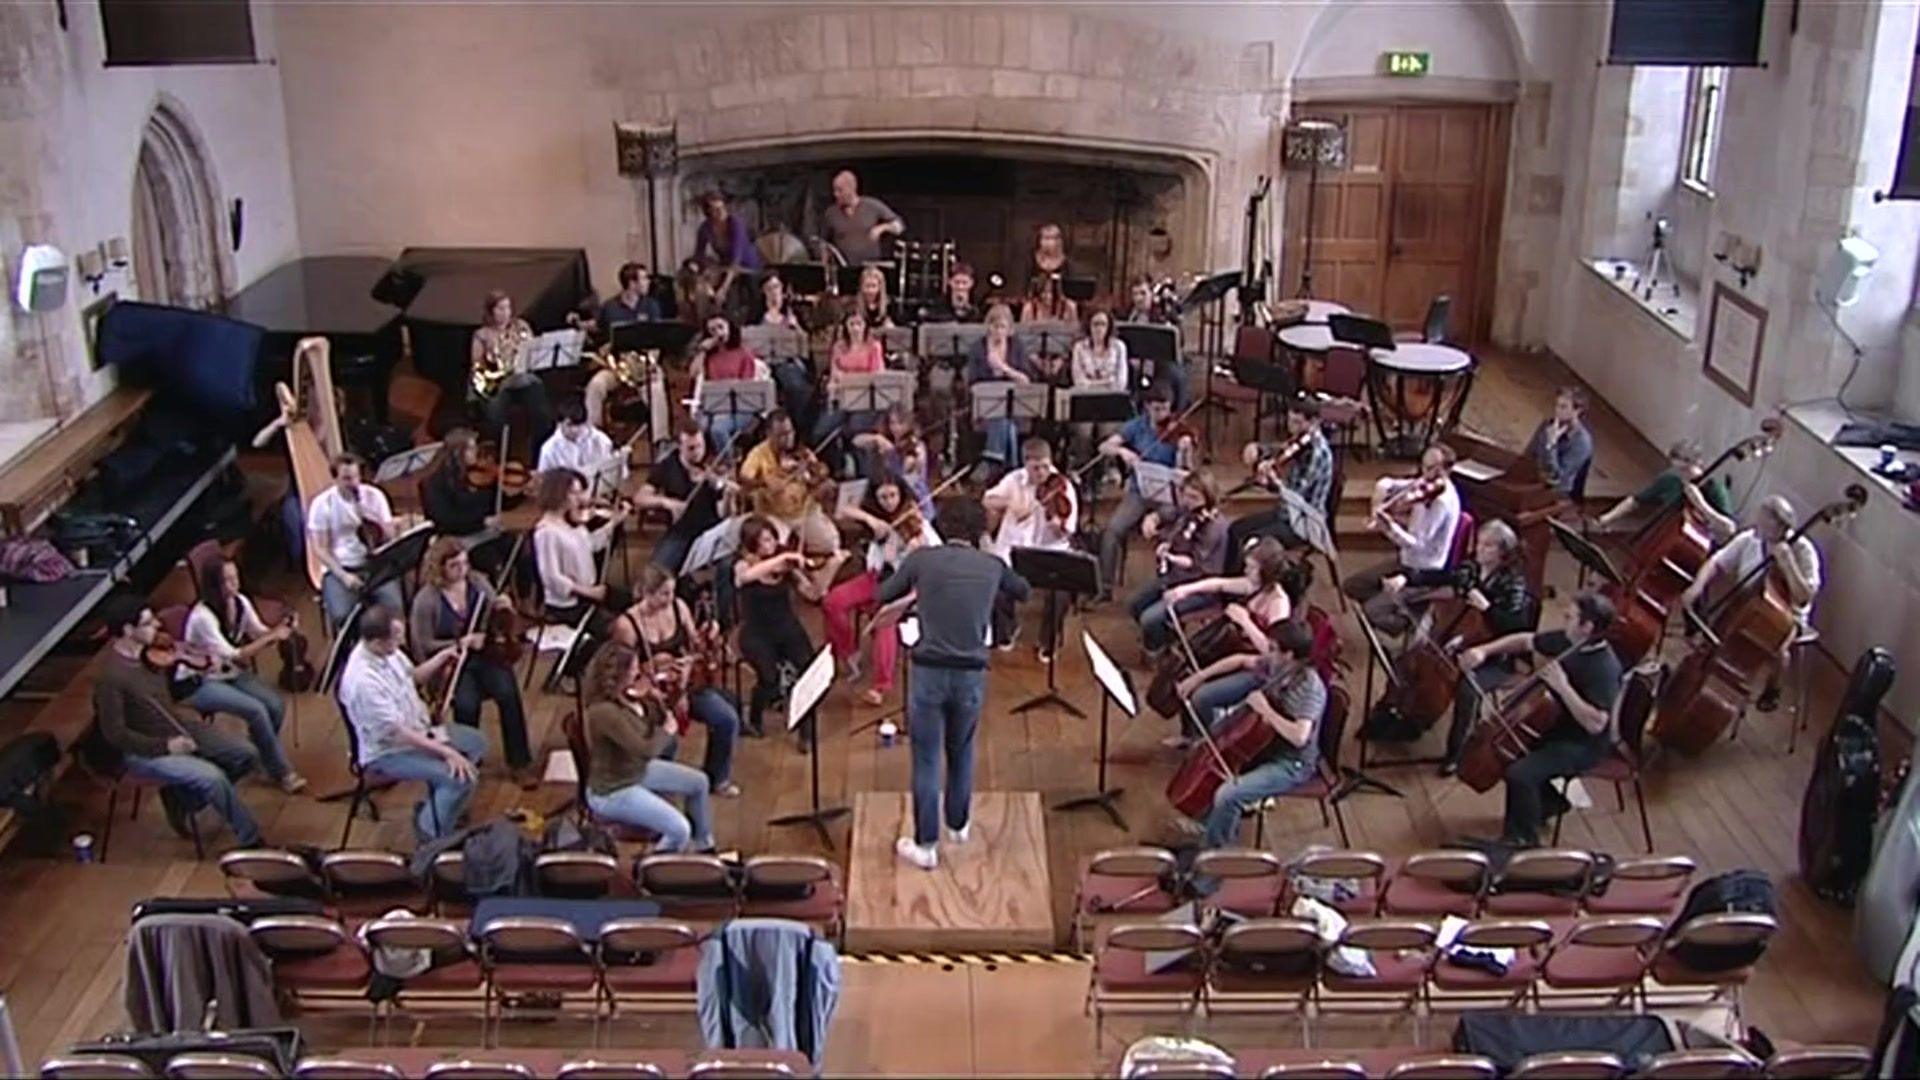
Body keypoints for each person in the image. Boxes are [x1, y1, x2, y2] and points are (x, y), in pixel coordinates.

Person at [876, 497, 1032, 870]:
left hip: (928, 671)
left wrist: (911, 569)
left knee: (926, 758)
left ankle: (926, 845)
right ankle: (958, 825)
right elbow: (1023, 590)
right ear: (979, 531)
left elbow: (883, 595)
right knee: (962, 750)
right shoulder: (991, 564)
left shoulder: (923, 560)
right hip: (971, 673)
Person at [1454, 591, 1624, 847]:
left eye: (1570, 617)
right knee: (1510, 752)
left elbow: (1596, 723)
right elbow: (1526, 641)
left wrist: (1563, 686)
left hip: (1581, 745)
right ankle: (1547, 803)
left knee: (1520, 772)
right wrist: (1484, 650)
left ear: (1586, 627)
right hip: (1555, 726)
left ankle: (1522, 841)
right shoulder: (1572, 641)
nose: (1564, 619)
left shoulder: (1604, 669)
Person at [94, 598, 266, 848]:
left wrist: (190, 664)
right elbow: (115, 734)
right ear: (128, 631)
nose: (156, 624)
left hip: (176, 726)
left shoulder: (151, 655)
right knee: (213, 779)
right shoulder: (111, 678)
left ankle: (183, 799)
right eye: (147, 622)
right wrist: (166, 747)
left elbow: (169, 693)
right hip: (144, 751)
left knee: (246, 754)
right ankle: (251, 839)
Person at [338, 604, 489, 845]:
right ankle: (430, 837)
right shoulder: (363, 683)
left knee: (476, 743)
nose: (401, 642)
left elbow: (414, 677)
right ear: (377, 642)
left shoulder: (388, 651)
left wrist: (442, 657)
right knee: (461, 778)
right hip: (389, 751)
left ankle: (444, 809)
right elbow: (399, 734)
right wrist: (446, 752)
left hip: (420, 731)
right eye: (396, 638)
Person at [1179, 621, 1328, 854]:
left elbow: (1300, 737)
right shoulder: (1280, 666)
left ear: (1288, 654)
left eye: (1272, 648)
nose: (1267, 652)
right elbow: (1240, 660)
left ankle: (1216, 861)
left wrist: (1265, 710)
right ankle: (1210, 828)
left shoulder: (1309, 687)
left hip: (1291, 762)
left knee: (1228, 794)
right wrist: (1199, 677)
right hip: (1266, 747)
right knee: (1209, 751)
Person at [1410, 521, 1541, 772]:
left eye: (1488, 546)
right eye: (1479, 543)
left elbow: (1516, 626)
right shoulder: (1472, 568)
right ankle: (1410, 718)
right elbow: (1445, 575)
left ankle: (1457, 754)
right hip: (1464, 640)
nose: (1480, 550)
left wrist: (1488, 609)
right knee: (1418, 661)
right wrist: (1408, 577)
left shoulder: (1512, 583)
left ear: (1503, 552)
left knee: (1468, 688)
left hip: (1497, 656)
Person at [1678, 494, 1823, 711]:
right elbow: (1716, 562)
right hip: (1746, 605)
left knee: (1777, 647)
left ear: (1778, 527)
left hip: (1787, 617)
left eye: (1763, 522)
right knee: (1716, 635)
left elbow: (1803, 598)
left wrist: (1787, 563)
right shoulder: (1752, 538)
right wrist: (1697, 587)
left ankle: (1773, 688)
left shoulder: (1803, 551)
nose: (1757, 526)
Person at [410, 538, 534, 786]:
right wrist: (460, 643)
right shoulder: (426, 600)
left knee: (507, 692)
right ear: (439, 568)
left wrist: (503, 606)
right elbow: (423, 644)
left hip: (485, 654)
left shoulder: (477, 582)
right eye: (455, 566)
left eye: (465, 563)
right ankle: (469, 760)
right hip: (451, 664)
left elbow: (495, 612)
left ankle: (519, 762)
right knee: (467, 703)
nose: (463, 570)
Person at [610, 566, 742, 796]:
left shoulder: (679, 608)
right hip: (650, 693)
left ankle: (717, 778)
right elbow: (621, 672)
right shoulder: (627, 625)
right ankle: (659, 790)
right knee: (667, 740)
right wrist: (649, 671)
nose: (669, 599)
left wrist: (707, 637)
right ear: (645, 593)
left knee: (726, 719)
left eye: (671, 592)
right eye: (663, 594)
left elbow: (695, 645)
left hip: (683, 684)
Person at [182, 555, 305, 794]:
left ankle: (259, 753)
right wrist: (272, 637)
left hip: (228, 673)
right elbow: (235, 654)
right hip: (200, 680)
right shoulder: (203, 617)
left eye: (235, 577)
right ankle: (281, 771)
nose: (234, 584)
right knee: (255, 709)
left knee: (275, 704)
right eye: (226, 580)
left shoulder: (239, 602)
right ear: (213, 585)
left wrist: (282, 629)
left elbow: (258, 632)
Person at [581, 643, 715, 852]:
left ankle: (704, 846)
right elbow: (646, 749)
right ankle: (653, 868)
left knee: (699, 782)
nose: (639, 672)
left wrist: (653, 698)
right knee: (679, 829)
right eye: (634, 668)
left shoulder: (625, 696)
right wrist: (668, 731)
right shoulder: (603, 712)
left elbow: (653, 723)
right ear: (621, 673)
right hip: (613, 790)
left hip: (635, 770)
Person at [823, 472, 937, 706]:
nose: (890, 502)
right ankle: (849, 652)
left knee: (884, 621)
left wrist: (920, 548)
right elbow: (843, 510)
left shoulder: (917, 521)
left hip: (905, 584)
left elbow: (937, 553)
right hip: (876, 577)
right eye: (883, 497)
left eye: (893, 495)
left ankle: (881, 685)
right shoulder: (877, 519)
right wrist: (871, 519)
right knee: (832, 601)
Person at [1343, 443, 1463, 635]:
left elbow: (1418, 544)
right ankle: (1389, 600)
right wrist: (1381, 489)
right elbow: (1391, 483)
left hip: (1424, 569)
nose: (1425, 473)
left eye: (1432, 469)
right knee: (1353, 585)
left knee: (1372, 611)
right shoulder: (1425, 483)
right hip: (1406, 560)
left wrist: (1389, 528)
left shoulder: (1441, 502)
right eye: (1424, 466)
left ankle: (1409, 624)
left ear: (1447, 470)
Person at [983, 437, 1077, 660]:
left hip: (1049, 552)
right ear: (1025, 463)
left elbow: (1069, 529)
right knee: (995, 581)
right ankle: (1006, 631)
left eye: (1046, 466)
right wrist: (1009, 504)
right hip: (1015, 550)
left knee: (1060, 594)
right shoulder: (1014, 480)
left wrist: (1058, 527)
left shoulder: (1063, 486)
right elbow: (987, 500)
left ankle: (1048, 642)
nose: (1042, 473)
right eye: (1036, 468)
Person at [1095, 387, 1193, 601]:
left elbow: (1188, 474)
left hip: (1168, 495)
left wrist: (1184, 452)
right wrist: (1122, 451)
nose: (1162, 415)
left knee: (1169, 532)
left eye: (1166, 409)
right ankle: (1105, 587)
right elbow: (1104, 447)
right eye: (1157, 409)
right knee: (1112, 531)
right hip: (1139, 492)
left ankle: (1164, 585)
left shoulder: (1179, 430)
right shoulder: (1137, 426)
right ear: (1148, 407)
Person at [732, 515, 822, 742]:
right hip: (756, 632)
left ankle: (806, 728)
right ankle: (754, 717)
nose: (771, 545)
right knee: (769, 679)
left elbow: (813, 594)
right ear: (751, 544)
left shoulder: (786, 568)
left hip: (786, 627)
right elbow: (745, 577)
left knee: (808, 672)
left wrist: (830, 567)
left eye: (772, 539)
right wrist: (783, 556)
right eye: (764, 541)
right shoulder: (742, 564)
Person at [1225, 401, 1336, 573]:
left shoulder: (1317, 453)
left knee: (1251, 540)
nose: (1292, 428)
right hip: (1285, 514)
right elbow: (1283, 448)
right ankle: (1227, 579)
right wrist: (1260, 449)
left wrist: (1272, 482)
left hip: (1303, 524)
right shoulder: (1302, 440)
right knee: (1235, 529)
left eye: (1298, 423)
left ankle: (1247, 587)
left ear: (1314, 422)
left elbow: (1296, 494)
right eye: (1290, 422)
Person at [1148, 537, 1298, 655]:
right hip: (1233, 641)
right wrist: (1184, 590)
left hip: (1253, 658)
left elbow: (1272, 651)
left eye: (1252, 568)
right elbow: (1219, 584)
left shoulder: (1279, 604)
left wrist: (1245, 621)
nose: (1246, 571)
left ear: (1266, 572)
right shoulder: (1254, 584)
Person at [532, 467, 633, 641]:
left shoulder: (572, 521)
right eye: (573, 493)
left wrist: (615, 521)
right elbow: (552, 578)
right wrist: (589, 592)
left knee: (635, 602)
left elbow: (591, 545)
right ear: (558, 493)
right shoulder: (546, 532)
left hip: (591, 592)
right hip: (570, 604)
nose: (579, 498)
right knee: (615, 629)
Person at [1128, 471, 1229, 641]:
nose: (1187, 501)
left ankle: (1160, 651)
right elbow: (1171, 512)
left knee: (1149, 619)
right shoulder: (1189, 511)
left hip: (1199, 586)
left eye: (1194, 497)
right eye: (1186, 495)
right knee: (1135, 604)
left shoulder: (1213, 526)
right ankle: (1166, 636)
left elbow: (1193, 562)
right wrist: (1154, 518)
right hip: (1175, 577)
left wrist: (1169, 556)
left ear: (1208, 497)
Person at [308, 454, 405, 629]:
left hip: (375, 564)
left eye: (356, 477)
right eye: (346, 479)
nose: (353, 483)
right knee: (342, 615)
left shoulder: (374, 496)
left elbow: (389, 537)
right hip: (342, 567)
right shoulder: (322, 504)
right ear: (335, 479)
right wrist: (344, 576)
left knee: (394, 608)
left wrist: (375, 519)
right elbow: (320, 548)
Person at [635, 421, 732, 576]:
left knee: (728, 566)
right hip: (681, 532)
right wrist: (667, 502)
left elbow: (724, 512)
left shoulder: (713, 465)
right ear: (679, 446)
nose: (697, 452)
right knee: (657, 571)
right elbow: (640, 498)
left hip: (712, 529)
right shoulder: (667, 466)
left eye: (701, 446)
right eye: (691, 448)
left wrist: (725, 491)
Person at [1591, 438, 1735, 541]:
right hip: (1665, 538)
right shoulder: (1670, 478)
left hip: (1698, 546)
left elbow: (1730, 529)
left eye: (1686, 470)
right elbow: (1636, 501)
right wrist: (1606, 518)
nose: (1682, 476)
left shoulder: (1715, 489)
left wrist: (1702, 506)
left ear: (1699, 463)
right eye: (1678, 470)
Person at [738, 410, 840, 556]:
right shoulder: (758, 454)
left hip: (804, 511)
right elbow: (744, 480)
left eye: (790, 432)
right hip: (773, 513)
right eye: (781, 435)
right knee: (774, 549)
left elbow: (819, 476)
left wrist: (813, 472)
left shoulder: (802, 452)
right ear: (769, 434)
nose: (787, 439)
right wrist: (764, 483)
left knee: (830, 544)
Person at [470, 290, 555, 451]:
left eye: (508, 308)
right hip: (498, 383)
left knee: (541, 407)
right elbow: (477, 365)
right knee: (495, 413)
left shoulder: (521, 326)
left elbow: (533, 348)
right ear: (491, 311)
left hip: (522, 379)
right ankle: (500, 452)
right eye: (500, 309)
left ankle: (539, 449)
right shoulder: (482, 334)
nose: (505, 313)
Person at [964, 303, 1035, 475]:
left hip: (1015, 409)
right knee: (1004, 424)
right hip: (986, 409)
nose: (998, 331)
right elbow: (973, 383)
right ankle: (1013, 469)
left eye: (1002, 327)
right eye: (994, 326)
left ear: (1009, 328)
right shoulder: (978, 348)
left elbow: (1026, 381)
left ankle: (992, 463)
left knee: (1007, 422)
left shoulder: (1016, 346)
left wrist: (1004, 368)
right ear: (988, 326)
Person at [688, 315, 769, 450]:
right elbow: (693, 373)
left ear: (729, 328)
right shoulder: (709, 355)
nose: (718, 333)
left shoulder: (743, 353)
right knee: (699, 426)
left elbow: (747, 389)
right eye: (712, 330)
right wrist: (702, 351)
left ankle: (727, 463)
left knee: (718, 429)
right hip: (714, 405)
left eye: (720, 327)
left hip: (740, 408)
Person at [815, 309, 889, 447]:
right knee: (821, 431)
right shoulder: (839, 346)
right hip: (842, 398)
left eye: (859, 324)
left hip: (866, 402)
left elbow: (876, 377)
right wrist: (832, 385)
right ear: (846, 327)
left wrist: (849, 377)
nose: (855, 328)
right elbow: (834, 374)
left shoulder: (874, 347)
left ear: (865, 326)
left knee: (855, 429)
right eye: (851, 324)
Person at [421, 428, 504, 549]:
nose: (476, 452)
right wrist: (482, 521)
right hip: (453, 537)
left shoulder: (474, 476)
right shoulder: (434, 483)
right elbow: (446, 519)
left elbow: (489, 506)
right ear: (457, 452)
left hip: (478, 530)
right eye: (471, 449)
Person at [1069, 307, 1131, 458]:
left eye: (1103, 324)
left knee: (1107, 434)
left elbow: (1120, 383)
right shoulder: (1079, 347)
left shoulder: (1119, 347)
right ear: (1088, 326)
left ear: (1109, 326)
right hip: (1085, 402)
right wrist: (1106, 381)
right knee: (1083, 434)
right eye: (1095, 324)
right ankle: (1083, 471)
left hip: (1111, 402)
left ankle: (1106, 472)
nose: (1099, 329)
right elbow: (1079, 382)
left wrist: (1093, 383)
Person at [853, 404, 931, 510]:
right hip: (890, 502)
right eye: (892, 423)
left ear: (909, 424)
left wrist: (898, 455)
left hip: (915, 501)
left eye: (900, 423)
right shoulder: (886, 443)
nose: (895, 428)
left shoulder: (916, 446)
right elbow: (856, 441)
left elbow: (908, 472)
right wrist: (876, 438)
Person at [820, 169, 904, 265]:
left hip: (870, 269)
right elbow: (824, 243)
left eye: (840, 190)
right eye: (834, 190)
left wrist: (882, 228)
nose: (836, 194)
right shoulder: (831, 213)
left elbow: (899, 226)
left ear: (852, 188)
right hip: (844, 267)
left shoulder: (872, 206)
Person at [1523, 386, 1595, 497]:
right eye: (1557, 406)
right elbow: (1529, 455)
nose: (1557, 411)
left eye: (1563, 407)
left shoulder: (1582, 442)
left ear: (1577, 410)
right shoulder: (1548, 425)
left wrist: (1552, 445)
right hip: (1533, 480)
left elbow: (1556, 477)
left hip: (1556, 492)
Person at [537, 396, 622, 484]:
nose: (575, 430)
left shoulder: (600, 439)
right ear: (559, 424)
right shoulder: (549, 449)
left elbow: (611, 470)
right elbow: (543, 481)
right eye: (570, 425)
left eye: (580, 425)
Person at [693, 191, 764, 275]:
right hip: (725, 267)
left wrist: (723, 287)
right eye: (715, 209)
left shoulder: (735, 224)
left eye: (722, 208)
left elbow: (736, 257)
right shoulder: (705, 228)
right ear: (708, 212)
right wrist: (697, 266)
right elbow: (699, 253)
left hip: (748, 268)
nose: (721, 212)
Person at [598, 262, 662, 331]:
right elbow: (602, 334)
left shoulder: (651, 305)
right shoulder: (609, 308)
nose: (648, 282)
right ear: (632, 283)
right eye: (644, 278)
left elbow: (657, 334)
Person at [1027, 222, 1073, 290]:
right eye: (1046, 238)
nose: (1051, 242)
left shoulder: (1067, 263)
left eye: (1055, 238)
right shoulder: (1031, 260)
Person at [852, 265, 895, 330]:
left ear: (880, 287)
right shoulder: (854, 306)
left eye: (874, 286)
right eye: (867, 286)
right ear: (861, 287)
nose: (870, 290)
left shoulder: (889, 305)